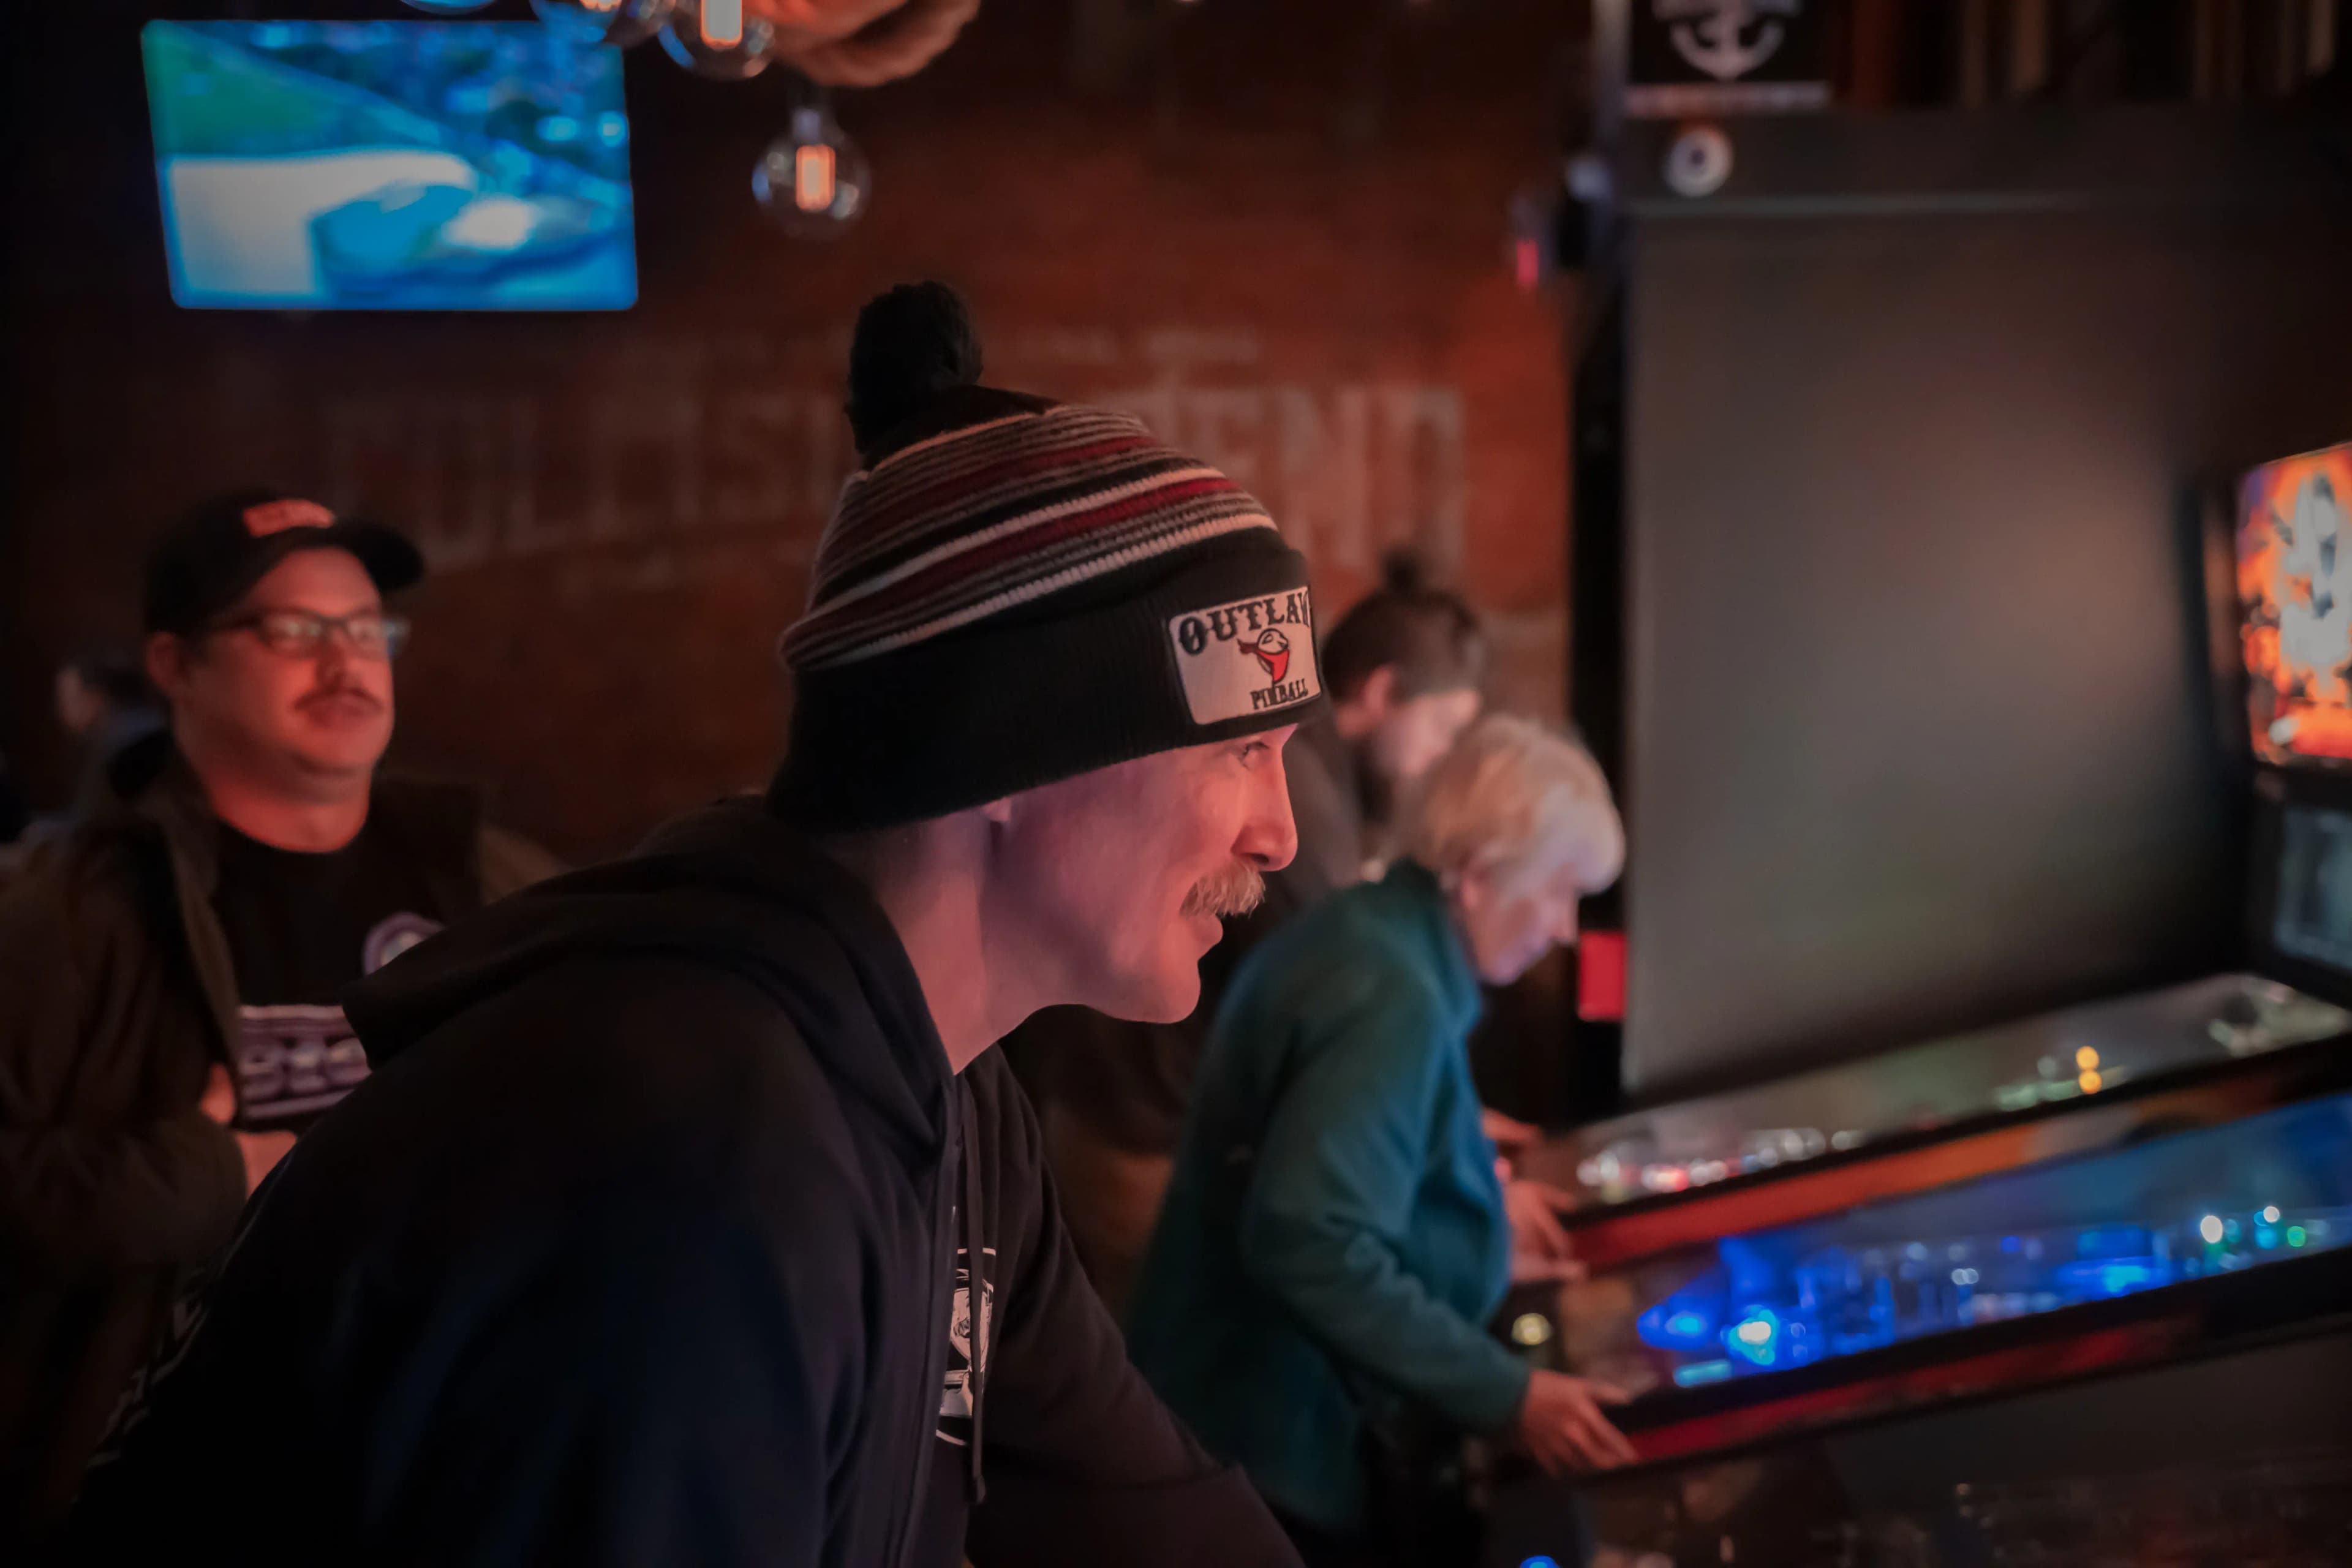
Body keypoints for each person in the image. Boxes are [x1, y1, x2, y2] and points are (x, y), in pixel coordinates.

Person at [64, 284, 1315, 1567]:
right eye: (1242, 749)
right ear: (1006, 748)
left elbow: (1149, 1518)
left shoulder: (946, 1092)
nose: (1279, 833)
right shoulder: (692, 1159)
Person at [0, 491, 560, 1542]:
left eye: (365, 629)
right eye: (294, 630)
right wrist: (197, 1182)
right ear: (174, 665)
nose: (346, 663)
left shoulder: (503, 891)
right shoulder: (54, 922)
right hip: (162, 1500)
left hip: (442, 1487)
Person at [1126, 714, 1637, 1568]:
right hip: (1265, 1447)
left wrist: (1472, 1194)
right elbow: (1307, 1240)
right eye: (1558, 893)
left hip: (1219, 1418)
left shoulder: (1375, 932)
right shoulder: (1389, 993)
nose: (1562, 928)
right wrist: (1508, 1395)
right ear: (1479, 876)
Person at [1008, 553, 1491, 1310]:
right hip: (1147, 1143)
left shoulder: (1311, 771)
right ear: (1385, 690)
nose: (1439, 761)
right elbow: (1321, 1028)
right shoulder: (1305, 808)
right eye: (1442, 730)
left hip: (1104, 1106)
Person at [53, 647, 164, 823]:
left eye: (67, 700)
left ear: (96, 699)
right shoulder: (156, 731)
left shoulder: (123, 753)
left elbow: (89, 828)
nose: (61, 712)